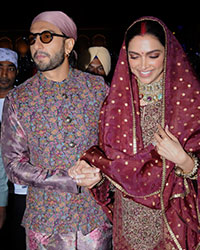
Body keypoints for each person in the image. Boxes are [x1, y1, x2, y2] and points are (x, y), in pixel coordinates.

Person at [69, 16, 200, 249]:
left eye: (153, 55)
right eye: (134, 56)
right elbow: (112, 172)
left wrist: (185, 162)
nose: (143, 65)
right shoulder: (114, 105)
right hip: (126, 224)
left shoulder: (189, 104)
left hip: (172, 224)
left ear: (169, 54)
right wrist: (94, 175)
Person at [1, 11, 112, 250]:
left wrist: (101, 172)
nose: (37, 44)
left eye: (47, 36)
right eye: (32, 39)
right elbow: (13, 167)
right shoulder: (19, 100)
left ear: (69, 44)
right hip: (45, 225)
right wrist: (67, 178)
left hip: (93, 221)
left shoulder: (97, 89)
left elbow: (115, 145)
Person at [0, 48, 27, 250]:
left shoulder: (22, 101)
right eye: (0, 68)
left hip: (19, 188)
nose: (4, 74)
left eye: (10, 69)